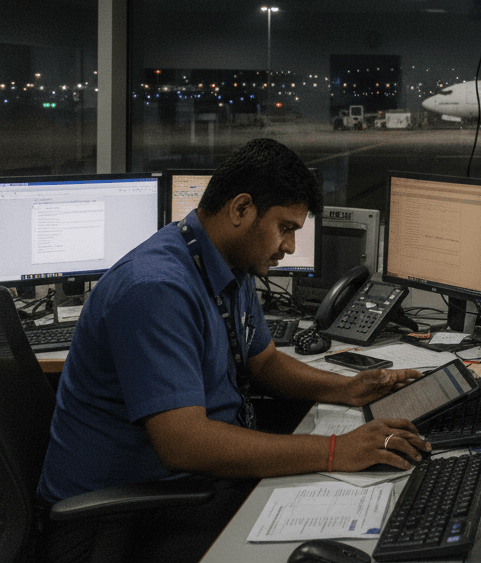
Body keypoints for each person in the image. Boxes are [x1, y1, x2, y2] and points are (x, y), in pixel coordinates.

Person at [37, 138, 431, 563]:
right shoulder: (156, 289)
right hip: (120, 520)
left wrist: (346, 389)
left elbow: (263, 361)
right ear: (241, 209)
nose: (290, 248)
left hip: (188, 488)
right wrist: (337, 450)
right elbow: (184, 444)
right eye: (285, 228)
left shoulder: (224, 263)